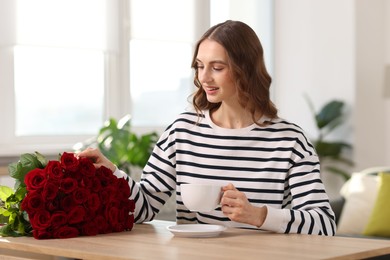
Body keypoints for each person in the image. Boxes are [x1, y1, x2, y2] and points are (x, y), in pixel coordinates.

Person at [78, 20, 336, 236]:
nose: (204, 78)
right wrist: (110, 172)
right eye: (200, 66)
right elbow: (144, 207)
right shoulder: (182, 131)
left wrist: (258, 215)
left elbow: (324, 224)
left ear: (245, 69)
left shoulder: (289, 140)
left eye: (217, 67)